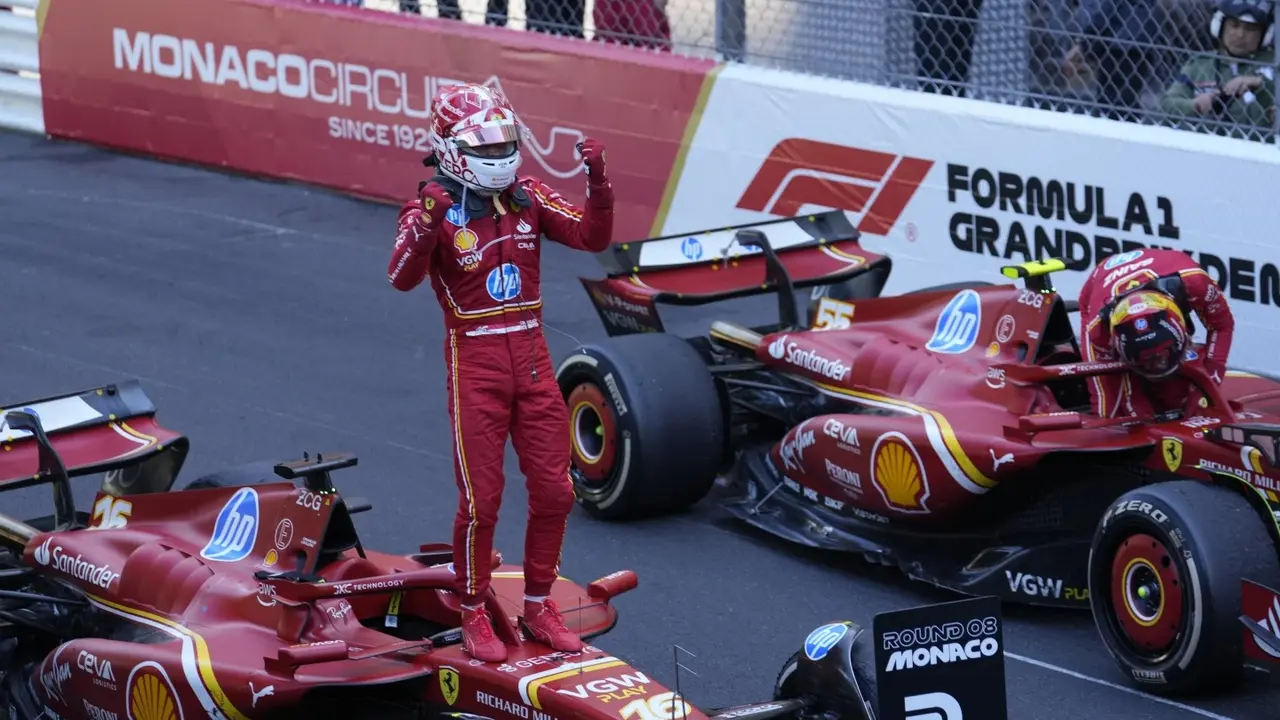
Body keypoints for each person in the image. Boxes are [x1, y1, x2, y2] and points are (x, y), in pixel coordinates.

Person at [386, 82, 613, 662]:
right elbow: (401, 278)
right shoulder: (428, 206)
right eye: (485, 146)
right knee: (482, 502)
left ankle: (538, 604)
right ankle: (471, 610)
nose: (500, 156)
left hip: (534, 359)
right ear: (452, 147)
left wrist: (599, 185)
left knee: (557, 492)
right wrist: (428, 224)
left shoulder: (529, 196)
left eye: (504, 142)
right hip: (476, 365)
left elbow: (592, 236)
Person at [1077, 248, 1234, 419]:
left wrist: (1209, 385)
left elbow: (1222, 326)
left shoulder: (1195, 283)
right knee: (1106, 407)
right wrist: (1144, 423)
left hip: (1163, 269)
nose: (1158, 365)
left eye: (1163, 354)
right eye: (1148, 361)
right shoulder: (1099, 330)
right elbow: (1122, 388)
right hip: (1098, 285)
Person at [1159, 0, 1276, 138]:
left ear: (1265, 34)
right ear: (1219, 25)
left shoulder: (1275, 66)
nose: (1240, 35)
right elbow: (1167, 104)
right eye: (1234, 25)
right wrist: (1195, 105)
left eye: (1251, 29)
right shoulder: (1200, 64)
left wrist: (1258, 83)